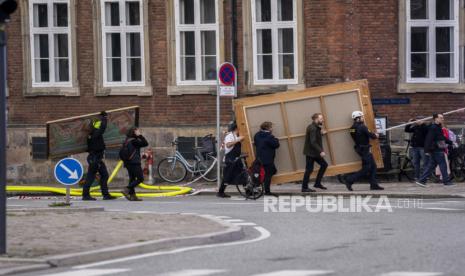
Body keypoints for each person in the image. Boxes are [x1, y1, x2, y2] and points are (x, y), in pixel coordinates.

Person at [343, 111, 384, 191]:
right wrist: (376, 135)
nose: (363, 118)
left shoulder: (352, 128)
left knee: (373, 166)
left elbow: (359, 136)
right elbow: (372, 136)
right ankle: (349, 180)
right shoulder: (362, 127)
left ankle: (373, 184)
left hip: (359, 149)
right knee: (366, 168)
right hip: (364, 149)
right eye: (361, 117)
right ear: (358, 118)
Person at [82, 111, 117, 201]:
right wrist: (104, 118)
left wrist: (101, 118)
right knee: (90, 177)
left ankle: (105, 194)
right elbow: (102, 128)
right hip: (94, 158)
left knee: (104, 175)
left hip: (97, 158)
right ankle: (85, 195)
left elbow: (99, 127)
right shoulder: (93, 134)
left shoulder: (93, 133)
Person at [416, 114, 454, 187]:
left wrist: (451, 142)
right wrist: (426, 150)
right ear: (435, 119)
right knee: (443, 165)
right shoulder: (433, 127)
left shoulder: (437, 127)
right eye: (440, 118)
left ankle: (421, 180)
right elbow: (429, 138)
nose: (442, 119)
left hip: (436, 149)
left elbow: (442, 137)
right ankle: (446, 181)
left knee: (431, 166)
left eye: (443, 118)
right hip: (436, 149)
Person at [302, 113, 328, 192]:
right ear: (316, 119)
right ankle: (304, 188)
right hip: (311, 153)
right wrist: (321, 151)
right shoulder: (313, 128)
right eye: (321, 119)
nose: (322, 120)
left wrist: (321, 134)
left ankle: (317, 183)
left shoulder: (315, 127)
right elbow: (313, 142)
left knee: (324, 165)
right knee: (309, 170)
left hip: (314, 153)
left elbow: (315, 137)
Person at [121, 127, 149, 201]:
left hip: (127, 163)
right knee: (140, 178)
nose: (139, 132)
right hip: (134, 163)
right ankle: (127, 189)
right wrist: (140, 135)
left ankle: (133, 196)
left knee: (132, 179)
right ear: (134, 132)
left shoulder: (127, 140)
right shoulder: (134, 141)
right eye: (137, 131)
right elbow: (145, 143)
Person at [218, 122, 244, 198]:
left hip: (237, 158)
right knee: (227, 176)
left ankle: (248, 191)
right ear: (236, 128)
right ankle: (220, 192)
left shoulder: (236, 135)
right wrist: (238, 140)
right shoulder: (230, 136)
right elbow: (228, 145)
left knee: (243, 174)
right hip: (230, 159)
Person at [254, 121, 280, 197]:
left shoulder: (257, 135)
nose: (272, 128)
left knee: (261, 173)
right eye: (271, 127)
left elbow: (256, 143)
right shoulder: (269, 136)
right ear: (268, 128)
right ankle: (267, 191)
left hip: (259, 158)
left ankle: (257, 187)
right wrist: (276, 139)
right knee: (269, 174)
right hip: (268, 159)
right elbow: (276, 145)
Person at [404, 116, 429, 180]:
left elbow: (426, 133)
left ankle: (424, 176)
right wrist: (409, 123)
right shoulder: (415, 127)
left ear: (423, 120)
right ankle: (416, 176)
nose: (417, 121)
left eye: (419, 120)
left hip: (422, 147)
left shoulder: (425, 127)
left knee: (424, 162)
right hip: (415, 147)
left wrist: (422, 123)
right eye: (417, 120)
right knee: (416, 162)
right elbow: (407, 130)